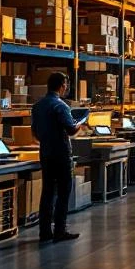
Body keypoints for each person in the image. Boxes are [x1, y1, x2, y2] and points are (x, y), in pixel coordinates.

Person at [31, 72, 87, 245]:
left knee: (47, 192)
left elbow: (35, 133)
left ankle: (45, 231)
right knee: (64, 192)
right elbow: (71, 130)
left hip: (46, 153)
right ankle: (60, 231)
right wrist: (81, 122)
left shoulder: (37, 106)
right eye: (66, 84)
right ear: (62, 85)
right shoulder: (61, 106)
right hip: (61, 154)